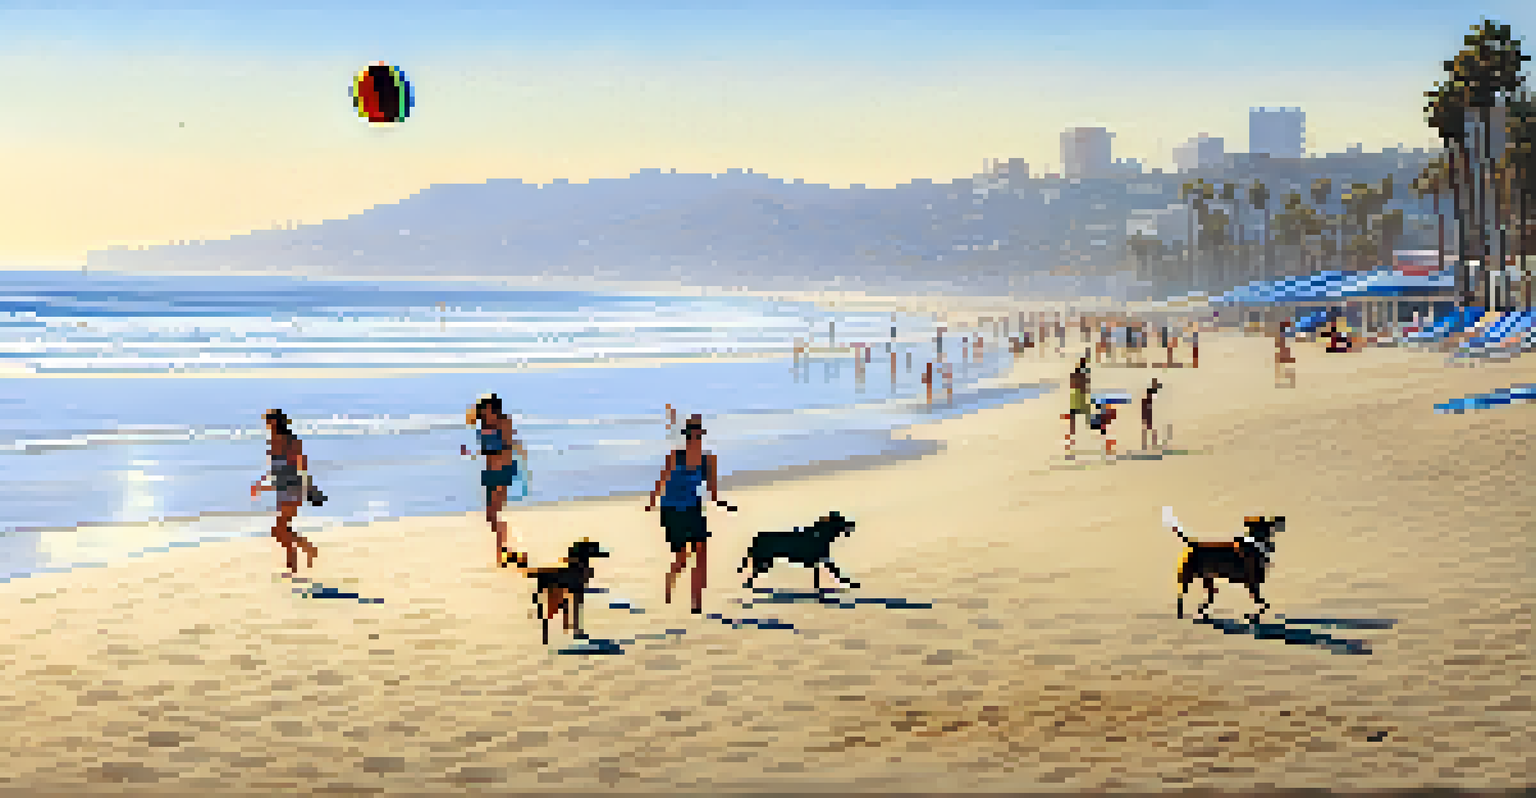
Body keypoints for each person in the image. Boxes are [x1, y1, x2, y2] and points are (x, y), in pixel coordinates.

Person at [647, 415, 727, 614]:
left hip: (693, 509)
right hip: (672, 510)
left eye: (697, 436)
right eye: (691, 436)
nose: (694, 440)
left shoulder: (708, 460)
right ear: (686, 438)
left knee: (701, 553)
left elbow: (712, 490)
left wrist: (721, 503)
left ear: (701, 437)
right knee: (683, 557)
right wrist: (652, 502)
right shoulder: (675, 456)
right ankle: (671, 578)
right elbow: (661, 481)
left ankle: (696, 602)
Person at [461, 394, 528, 568]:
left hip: (502, 470)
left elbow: (507, 447)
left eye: (487, 408)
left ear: (495, 408)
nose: (485, 412)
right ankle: (507, 550)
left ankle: (504, 552)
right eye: (483, 409)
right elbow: (469, 420)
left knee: (495, 512)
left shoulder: (503, 422)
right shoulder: (484, 423)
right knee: (491, 515)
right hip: (489, 471)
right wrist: (472, 453)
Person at [251, 409, 319, 574]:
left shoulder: (291, 442)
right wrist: (261, 484)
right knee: (283, 529)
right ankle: (293, 565)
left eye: (269, 421)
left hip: (294, 487)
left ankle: (305, 550)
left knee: (279, 529)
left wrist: (307, 487)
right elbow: (275, 470)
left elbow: (302, 465)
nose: (266, 425)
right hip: (282, 489)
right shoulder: (272, 443)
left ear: (275, 422)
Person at [1141, 378, 1162, 450]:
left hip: (1149, 412)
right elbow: (1145, 403)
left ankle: (1149, 443)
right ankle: (1147, 444)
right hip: (1148, 413)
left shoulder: (1151, 393)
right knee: (1148, 428)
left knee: (1149, 428)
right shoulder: (1149, 393)